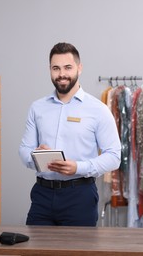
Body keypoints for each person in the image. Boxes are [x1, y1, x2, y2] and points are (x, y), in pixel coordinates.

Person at [19, 42, 121, 226]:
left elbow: (114, 156)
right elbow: (24, 150)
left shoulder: (98, 109)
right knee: (34, 251)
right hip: (42, 195)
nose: (61, 74)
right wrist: (37, 157)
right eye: (55, 68)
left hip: (80, 196)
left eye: (68, 67)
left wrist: (78, 167)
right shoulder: (37, 108)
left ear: (79, 68)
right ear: (50, 69)